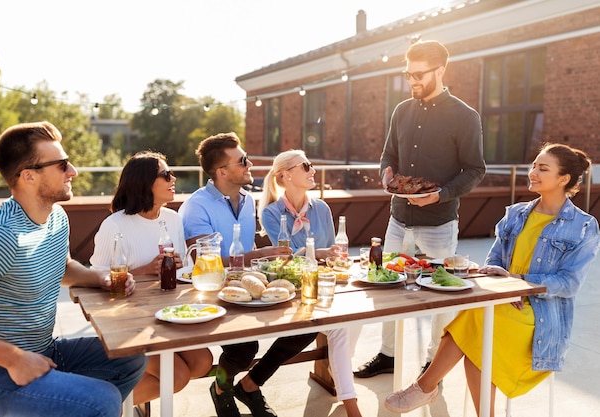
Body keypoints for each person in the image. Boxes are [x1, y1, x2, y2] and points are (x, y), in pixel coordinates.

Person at [385, 143, 600, 415]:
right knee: (479, 333)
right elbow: (494, 261)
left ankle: (425, 387)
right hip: (504, 301)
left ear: (563, 179)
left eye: (543, 168)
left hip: (539, 314)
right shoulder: (516, 214)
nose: (533, 172)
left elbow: (569, 283)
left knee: (476, 323)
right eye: (533, 165)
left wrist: (517, 283)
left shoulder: (583, 226)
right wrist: (503, 284)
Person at [0, 121, 148, 417]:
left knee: (131, 356)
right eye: (62, 165)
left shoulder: (56, 217)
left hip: (45, 350)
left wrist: (100, 278)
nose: (74, 172)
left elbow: (63, 267)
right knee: (101, 401)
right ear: (28, 176)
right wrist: (14, 359)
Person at [354, 39, 486, 379]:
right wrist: (385, 170)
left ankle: (433, 364)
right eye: (408, 74)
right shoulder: (401, 111)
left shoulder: (465, 116)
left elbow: (475, 169)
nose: (412, 81)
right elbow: (389, 155)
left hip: (439, 224)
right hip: (398, 220)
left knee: (441, 294)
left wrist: (440, 194)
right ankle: (388, 355)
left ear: (441, 70)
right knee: (388, 287)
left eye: (419, 74)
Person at [179, 132, 302, 417]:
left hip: (249, 286)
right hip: (211, 292)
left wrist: (269, 256)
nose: (250, 165)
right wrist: (259, 255)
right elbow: (203, 262)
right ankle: (222, 389)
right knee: (245, 348)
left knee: (306, 324)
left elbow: (246, 247)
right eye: (243, 161)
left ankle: (251, 383)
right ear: (222, 171)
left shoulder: (248, 200)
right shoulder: (196, 206)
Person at [90, 151, 213, 415]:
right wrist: (143, 271)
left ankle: (122, 394)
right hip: (129, 321)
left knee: (203, 361)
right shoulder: (114, 225)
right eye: (165, 174)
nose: (173, 178)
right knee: (176, 377)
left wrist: (183, 268)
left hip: (167, 313)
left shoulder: (173, 219)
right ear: (144, 183)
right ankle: (101, 407)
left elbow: (185, 270)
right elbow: (95, 279)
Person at [252, 149, 363, 417]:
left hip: (326, 282)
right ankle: (349, 399)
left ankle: (339, 374)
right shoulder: (270, 213)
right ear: (285, 175)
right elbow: (287, 256)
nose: (313, 170)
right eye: (307, 166)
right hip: (293, 286)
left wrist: (330, 256)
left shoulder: (322, 207)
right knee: (340, 327)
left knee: (356, 318)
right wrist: (319, 253)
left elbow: (332, 248)